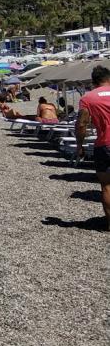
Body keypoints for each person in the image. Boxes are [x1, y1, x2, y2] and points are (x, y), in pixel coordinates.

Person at [75, 65, 110, 230]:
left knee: (107, 186)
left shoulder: (88, 99)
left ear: (94, 81)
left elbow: (82, 124)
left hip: (104, 145)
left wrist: (80, 145)